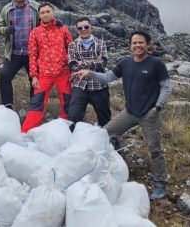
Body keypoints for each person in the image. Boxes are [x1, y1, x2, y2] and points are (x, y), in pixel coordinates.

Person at [73, 31, 172, 200]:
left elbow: (166, 87)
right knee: (104, 134)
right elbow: (107, 78)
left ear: (148, 45)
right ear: (130, 46)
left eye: (141, 43)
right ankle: (102, 171)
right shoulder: (125, 63)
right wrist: (90, 73)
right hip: (129, 112)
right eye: (134, 43)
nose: (137, 46)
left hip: (149, 114)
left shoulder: (156, 64)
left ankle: (160, 184)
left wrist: (157, 107)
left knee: (155, 150)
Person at [21, 3, 73, 133]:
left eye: (48, 11)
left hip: (63, 73)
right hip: (44, 74)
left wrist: (73, 71)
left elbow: (71, 49)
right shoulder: (35, 32)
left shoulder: (63, 29)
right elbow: (32, 55)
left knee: (68, 103)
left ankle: (67, 130)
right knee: (37, 104)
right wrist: (33, 76)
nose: (45, 14)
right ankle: (26, 132)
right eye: (42, 12)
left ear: (53, 12)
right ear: (39, 15)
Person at [0, 0, 41, 109]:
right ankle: (7, 106)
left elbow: (45, 21)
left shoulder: (35, 7)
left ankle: (34, 107)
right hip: (13, 52)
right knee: (4, 76)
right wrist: (5, 30)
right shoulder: (6, 9)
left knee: (35, 80)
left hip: (32, 53)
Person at [66, 17, 111, 127]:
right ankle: (72, 140)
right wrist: (93, 61)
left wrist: (82, 63)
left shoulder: (101, 43)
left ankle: (111, 140)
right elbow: (73, 64)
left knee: (104, 117)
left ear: (91, 28)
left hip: (99, 85)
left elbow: (103, 63)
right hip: (79, 85)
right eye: (80, 28)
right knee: (73, 116)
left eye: (86, 27)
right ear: (77, 30)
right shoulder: (72, 45)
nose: (83, 29)